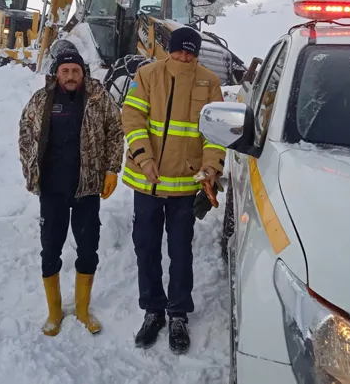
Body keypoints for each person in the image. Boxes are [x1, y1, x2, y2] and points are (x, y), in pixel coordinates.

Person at [121, 26, 227, 354]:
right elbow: (133, 117)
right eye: (179, 51)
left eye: (190, 52)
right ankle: (153, 311)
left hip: (184, 186)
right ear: (170, 50)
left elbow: (216, 133)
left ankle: (178, 314)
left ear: (197, 53)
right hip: (147, 183)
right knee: (146, 249)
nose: (184, 57)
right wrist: (144, 157)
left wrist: (211, 169)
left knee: (181, 253)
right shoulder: (148, 73)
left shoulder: (210, 82)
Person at [18, 49, 124, 336]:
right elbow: (26, 132)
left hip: (88, 187)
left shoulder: (98, 99)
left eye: (75, 70)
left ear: (83, 73)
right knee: (50, 247)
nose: (70, 76)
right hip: (52, 189)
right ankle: (54, 312)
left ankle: (82, 309)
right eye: (65, 71)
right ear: (57, 74)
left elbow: (116, 130)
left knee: (88, 248)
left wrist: (112, 169)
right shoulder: (42, 100)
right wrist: (31, 168)